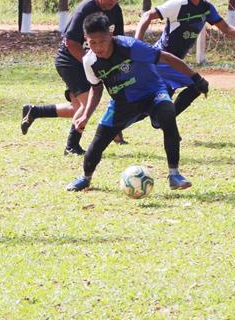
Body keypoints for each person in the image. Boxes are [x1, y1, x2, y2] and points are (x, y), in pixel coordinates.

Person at [65, 13, 209, 192]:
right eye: (92, 42)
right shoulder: (89, 61)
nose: (98, 47)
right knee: (98, 142)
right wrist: (86, 115)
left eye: (102, 41)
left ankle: (174, 175)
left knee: (167, 114)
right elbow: (96, 87)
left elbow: (166, 57)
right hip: (123, 103)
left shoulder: (130, 47)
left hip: (153, 93)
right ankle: (85, 178)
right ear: (86, 39)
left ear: (110, 35)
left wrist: (195, 77)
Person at [21, 0, 127, 156]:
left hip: (89, 60)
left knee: (77, 108)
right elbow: (70, 43)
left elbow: (118, 39)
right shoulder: (86, 9)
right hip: (70, 60)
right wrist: (92, 63)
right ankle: (72, 146)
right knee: (87, 105)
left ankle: (35, 111)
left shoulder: (116, 11)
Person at [134, 0, 235, 118]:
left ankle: (117, 126)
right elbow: (147, 15)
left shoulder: (206, 8)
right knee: (198, 84)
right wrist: (136, 46)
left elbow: (225, 27)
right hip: (162, 59)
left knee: (154, 103)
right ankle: (163, 121)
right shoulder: (178, 4)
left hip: (175, 62)